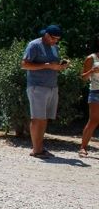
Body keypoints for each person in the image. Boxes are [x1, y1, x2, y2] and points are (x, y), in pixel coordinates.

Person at [21, 24, 69, 158]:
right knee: (37, 118)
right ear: (46, 35)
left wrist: (60, 66)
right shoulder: (34, 45)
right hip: (37, 86)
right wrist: (45, 65)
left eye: (58, 39)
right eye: (54, 38)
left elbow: (53, 65)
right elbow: (24, 64)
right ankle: (36, 150)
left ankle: (39, 148)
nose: (56, 41)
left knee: (44, 119)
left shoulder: (55, 47)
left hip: (52, 86)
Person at [79, 34, 99, 158]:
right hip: (96, 92)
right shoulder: (91, 58)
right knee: (94, 120)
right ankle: (83, 147)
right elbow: (83, 78)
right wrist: (92, 71)